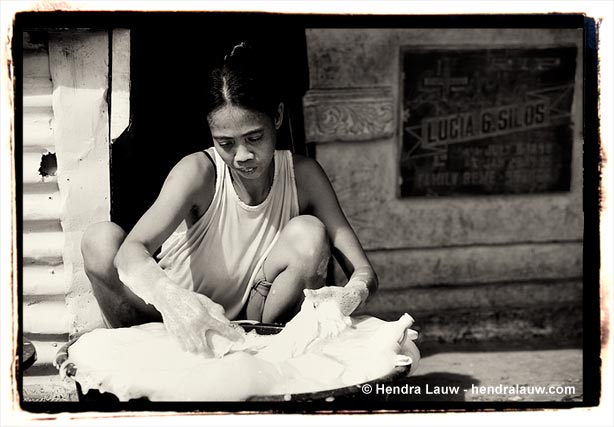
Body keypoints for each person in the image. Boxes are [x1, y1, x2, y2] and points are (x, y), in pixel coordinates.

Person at [81, 42, 378, 357]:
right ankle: (138, 353)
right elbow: (130, 252)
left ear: (277, 116)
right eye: (226, 143)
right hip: (175, 322)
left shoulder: (303, 176)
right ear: (211, 133)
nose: (243, 156)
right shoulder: (198, 171)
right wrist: (172, 299)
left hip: (252, 327)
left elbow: (363, 271)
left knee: (310, 232)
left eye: (254, 138)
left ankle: (275, 350)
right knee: (99, 240)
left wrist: (350, 295)